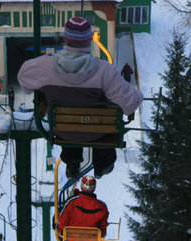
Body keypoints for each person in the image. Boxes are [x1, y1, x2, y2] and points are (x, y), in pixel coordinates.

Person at [17, 17, 143, 180]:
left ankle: (72, 160)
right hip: (97, 133)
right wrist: (138, 95)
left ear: (66, 39)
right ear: (89, 40)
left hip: (63, 130)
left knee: (68, 125)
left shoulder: (44, 67)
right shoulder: (105, 71)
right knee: (106, 124)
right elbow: (129, 103)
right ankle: (102, 164)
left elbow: (23, 79)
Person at [57, 175, 109, 241]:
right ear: (94, 188)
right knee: (89, 238)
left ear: (81, 186)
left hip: (70, 240)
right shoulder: (102, 207)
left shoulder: (72, 202)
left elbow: (62, 222)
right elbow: (103, 226)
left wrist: (59, 229)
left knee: (60, 228)